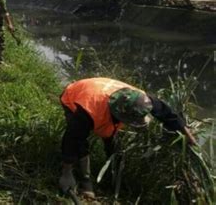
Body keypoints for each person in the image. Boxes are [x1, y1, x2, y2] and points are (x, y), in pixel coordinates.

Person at [58, 77, 196, 198]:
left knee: (111, 141)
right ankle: (85, 183)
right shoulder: (87, 111)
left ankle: (113, 175)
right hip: (75, 95)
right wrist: (67, 172)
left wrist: (184, 130)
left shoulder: (142, 100)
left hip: (100, 91)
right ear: (118, 114)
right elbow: (72, 139)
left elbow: (166, 113)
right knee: (80, 140)